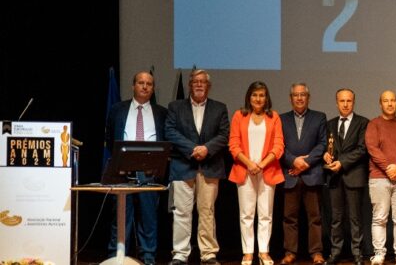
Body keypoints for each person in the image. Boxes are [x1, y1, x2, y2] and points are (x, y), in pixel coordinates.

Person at [165, 68, 231, 265]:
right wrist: (193, 148)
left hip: (209, 166)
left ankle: (208, 254)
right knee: (181, 212)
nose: (199, 85)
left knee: (207, 211)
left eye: (203, 82)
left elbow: (224, 135)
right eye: (196, 81)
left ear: (209, 86)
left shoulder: (219, 108)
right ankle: (180, 254)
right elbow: (170, 131)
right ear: (190, 85)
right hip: (182, 166)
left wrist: (207, 149)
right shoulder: (176, 106)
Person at [104, 70, 167, 265]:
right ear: (133, 86)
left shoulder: (161, 113)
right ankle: (116, 257)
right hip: (122, 171)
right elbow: (110, 138)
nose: (145, 87)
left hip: (149, 172)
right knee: (121, 218)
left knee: (148, 219)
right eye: (141, 83)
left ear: (153, 88)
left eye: (149, 84)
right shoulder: (117, 109)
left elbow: (166, 139)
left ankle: (148, 258)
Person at [228, 81, 285, 265]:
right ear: (249, 97)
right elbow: (233, 144)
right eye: (254, 95)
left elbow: (279, 145)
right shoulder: (239, 115)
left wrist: (261, 164)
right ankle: (247, 252)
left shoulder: (274, 116)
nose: (258, 99)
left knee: (266, 214)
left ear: (266, 98)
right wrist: (249, 164)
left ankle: (264, 251)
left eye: (262, 95)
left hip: (267, 170)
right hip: (245, 170)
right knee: (246, 214)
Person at [280, 83, 328, 265]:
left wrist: (305, 163)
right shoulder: (281, 119)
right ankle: (290, 252)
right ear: (290, 98)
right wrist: (294, 161)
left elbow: (322, 144)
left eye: (303, 95)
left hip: (312, 174)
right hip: (290, 173)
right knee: (289, 217)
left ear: (309, 97)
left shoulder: (319, 117)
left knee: (315, 217)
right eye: (296, 95)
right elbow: (279, 146)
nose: (299, 98)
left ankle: (316, 253)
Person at [366, 90, 396, 265]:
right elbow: (372, 148)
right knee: (379, 218)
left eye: (393, 100)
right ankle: (379, 254)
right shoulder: (373, 124)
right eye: (386, 101)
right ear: (381, 104)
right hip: (379, 177)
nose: (390, 103)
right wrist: (388, 167)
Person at [324, 88, 370, 265]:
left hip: (354, 175)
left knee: (355, 218)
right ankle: (335, 252)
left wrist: (341, 162)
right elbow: (326, 147)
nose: (345, 104)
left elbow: (362, 149)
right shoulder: (329, 124)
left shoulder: (363, 123)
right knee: (336, 218)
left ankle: (357, 253)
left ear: (353, 102)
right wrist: (325, 155)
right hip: (334, 177)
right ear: (336, 103)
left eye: (348, 101)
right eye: (342, 101)